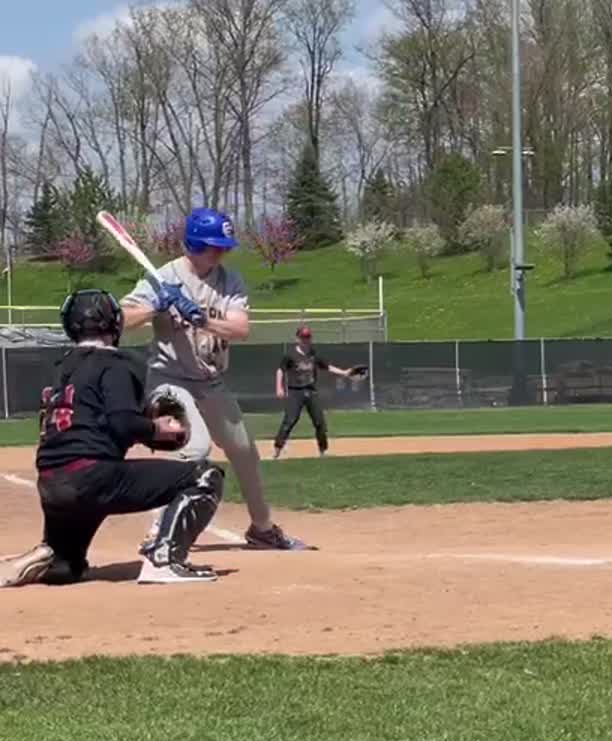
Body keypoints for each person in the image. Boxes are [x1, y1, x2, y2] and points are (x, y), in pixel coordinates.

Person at [1, 290, 226, 588]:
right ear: (114, 323)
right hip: (92, 477)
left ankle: (50, 554)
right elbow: (122, 423)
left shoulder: (63, 367)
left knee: (68, 568)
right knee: (205, 475)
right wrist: (159, 429)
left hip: (52, 484)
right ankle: (164, 560)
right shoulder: (115, 364)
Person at [121, 206, 309, 549]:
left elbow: (240, 328)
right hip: (169, 379)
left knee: (244, 451)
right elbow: (121, 318)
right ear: (194, 244)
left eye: (224, 246)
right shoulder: (162, 277)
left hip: (210, 381)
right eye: (214, 246)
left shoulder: (230, 280)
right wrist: (157, 306)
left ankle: (262, 529)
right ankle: (160, 531)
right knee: (192, 447)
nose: (221, 252)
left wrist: (200, 319)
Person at [272, 326, 363, 460]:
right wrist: (279, 387)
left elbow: (327, 367)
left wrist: (344, 372)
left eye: (308, 337)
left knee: (319, 422)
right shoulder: (290, 355)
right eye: (303, 337)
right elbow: (280, 370)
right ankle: (277, 450)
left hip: (311, 391)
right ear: (297, 338)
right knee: (290, 420)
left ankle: (323, 451)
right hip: (295, 392)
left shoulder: (314, 354)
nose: (306, 339)